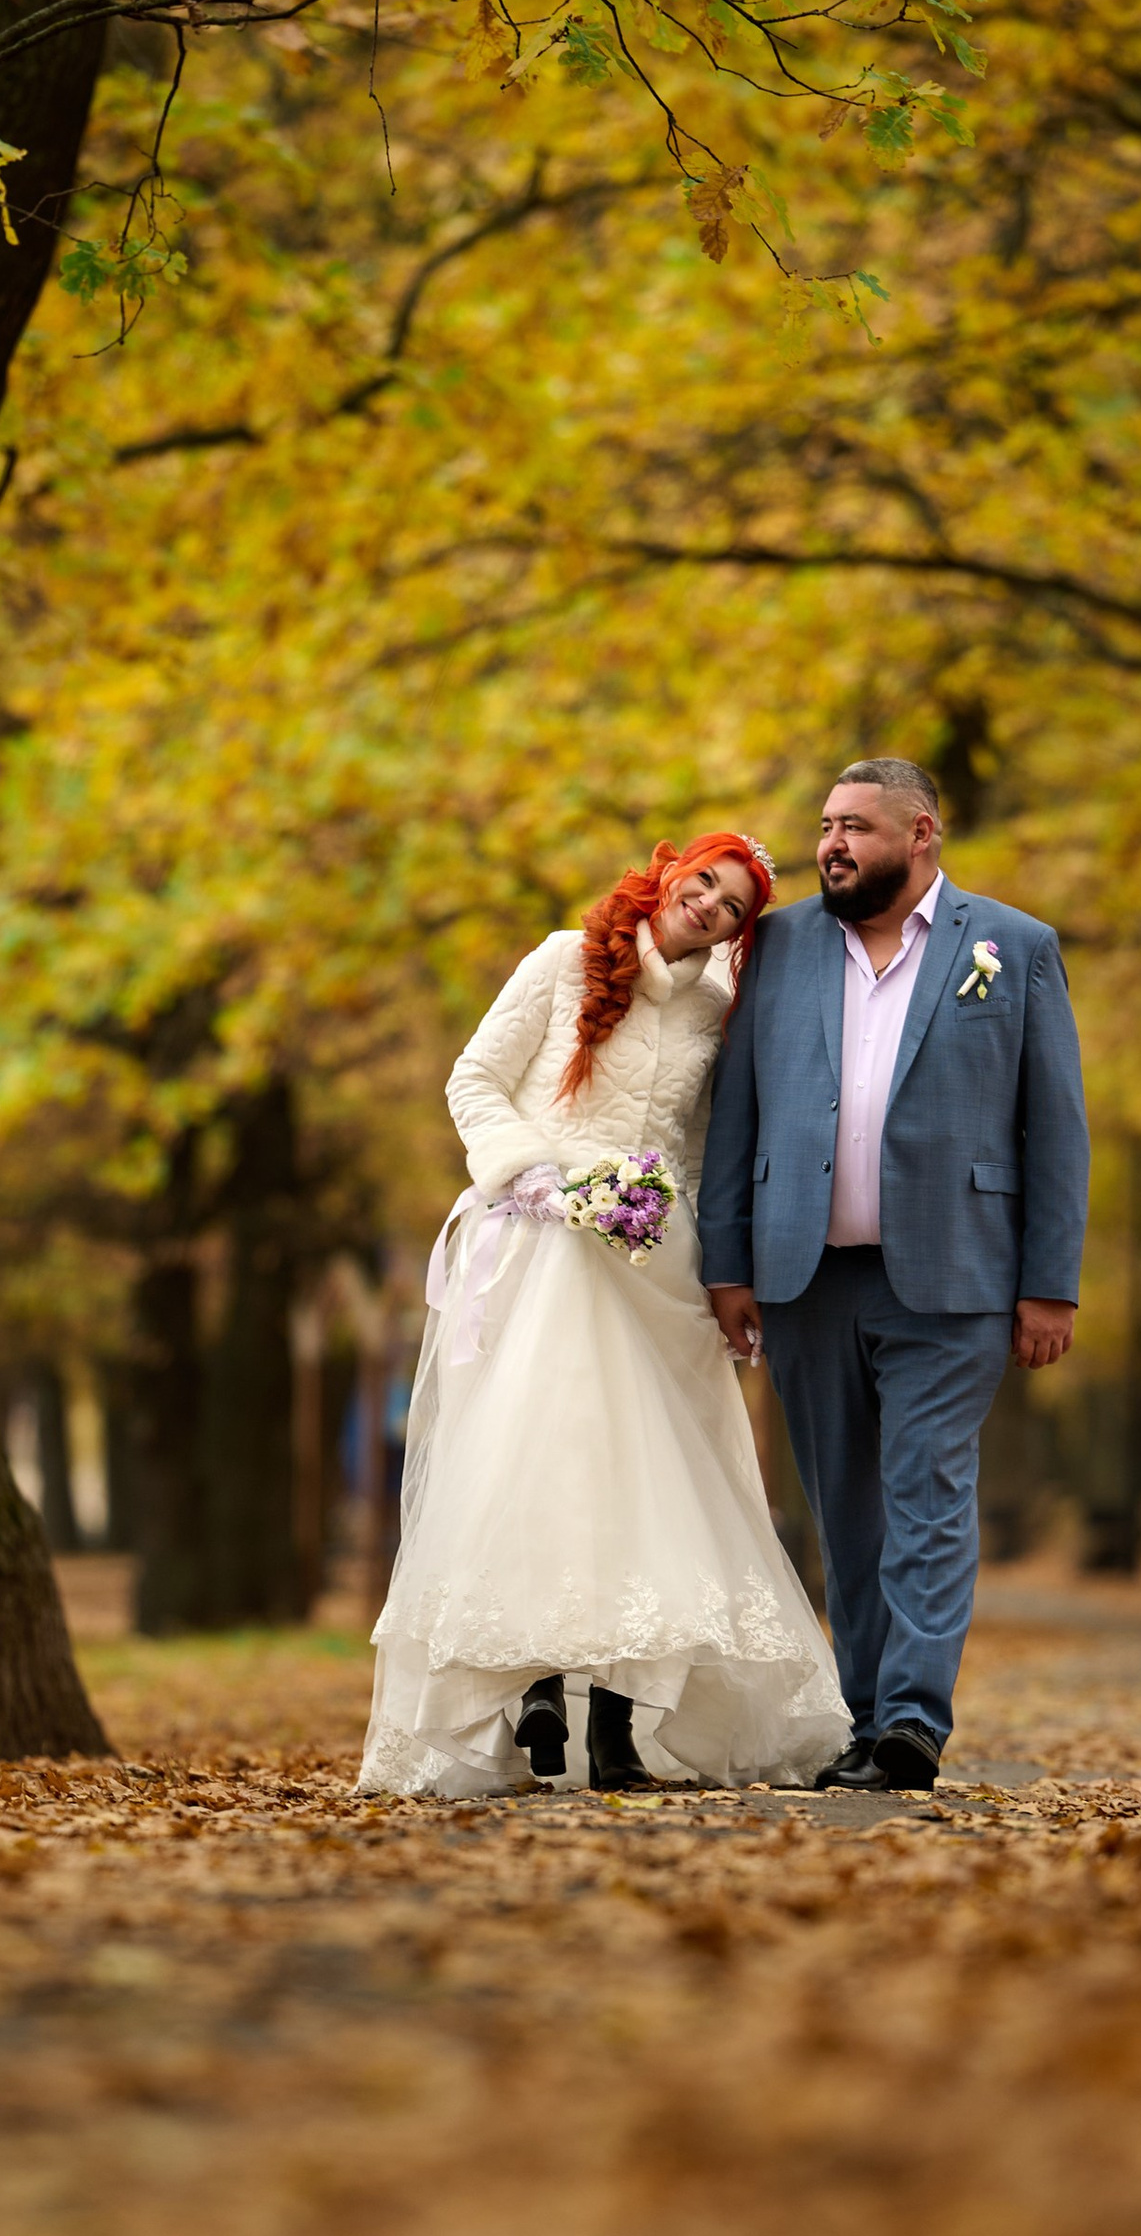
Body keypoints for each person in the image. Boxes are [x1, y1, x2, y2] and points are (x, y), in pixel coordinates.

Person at [357, 834, 849, 1797]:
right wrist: (530, 1172)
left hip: (656, 1262)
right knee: (545, 1459)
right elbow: (473, 1081)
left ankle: (620, 1732)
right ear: (671, 875)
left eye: (734, 906)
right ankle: (535, 1685)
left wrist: (710, 1256)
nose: (709, 905)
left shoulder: (717, 1012)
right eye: (704, 882)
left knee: (647, 1479)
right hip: (544, 1246)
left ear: (742, 931)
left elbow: (705, 1144)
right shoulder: (564, 958)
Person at [697, 761, 1091, 1790]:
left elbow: (1055, 1126)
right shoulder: (774, 947)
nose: (830, 844)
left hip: (956, 1275)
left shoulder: (1013, 948)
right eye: (825, 826)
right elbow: (734, 1114)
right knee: (843, 1510)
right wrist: (727, 1262)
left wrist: (1050, 1282)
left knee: (926, 1489)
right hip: (802, 1275)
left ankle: (912, 1721)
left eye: (855, 828)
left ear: (922, 834)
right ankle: (863, 1717)